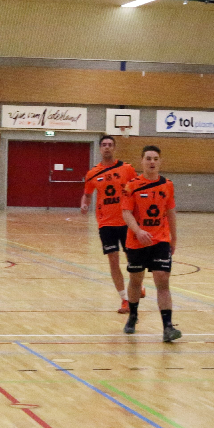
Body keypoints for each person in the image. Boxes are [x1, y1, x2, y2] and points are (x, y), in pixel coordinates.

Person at [120, 145, 181, 343]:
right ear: (142, 161)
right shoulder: (131, 186)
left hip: (160, 240)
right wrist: (138, 231)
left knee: (162, 280)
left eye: (155, 158)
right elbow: (126, 212)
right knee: (136, 280)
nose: (152, 162)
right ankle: (133, 315)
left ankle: (168, 327)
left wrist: (173, 238)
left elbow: (170, 212)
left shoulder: (167, 185)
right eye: (148, 158)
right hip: (137, 241)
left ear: (160, 161)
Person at [81, 135, 141, 313]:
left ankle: (138, 286)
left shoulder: (127, 169)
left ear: (114, 148)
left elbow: (138, 188)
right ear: (100, 148)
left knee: (132, 260)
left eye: (110, 145)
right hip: (105, 223)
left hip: (126, 221)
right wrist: (84, 204)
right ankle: (125, 299)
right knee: (113, 260)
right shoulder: (92, 173)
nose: (107, 147)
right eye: (104, 145)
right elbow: (87, 194)